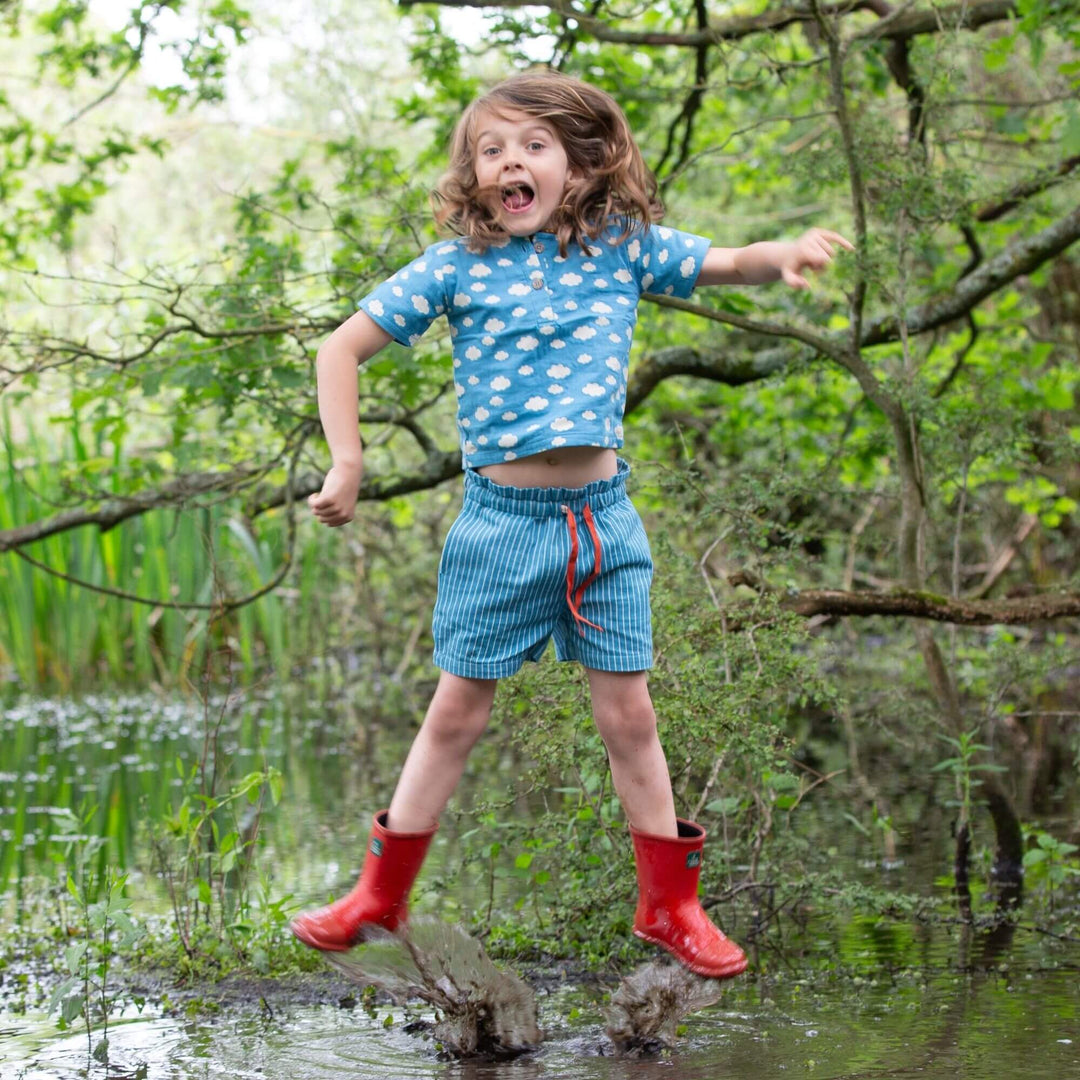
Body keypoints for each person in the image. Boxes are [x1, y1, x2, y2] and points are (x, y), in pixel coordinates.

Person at [291, 70, 851, 978]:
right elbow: (339, 347)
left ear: (581, 165)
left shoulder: (620, 248)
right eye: (491, 151)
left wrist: (777, 254)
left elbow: (725, 262)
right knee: (455, 714)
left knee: (630, 716)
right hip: (499, 527)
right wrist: (348, 459)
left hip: (602, 525)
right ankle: (380, 897)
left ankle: (670, 907)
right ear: (474, 179)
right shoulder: (453, 267)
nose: (510, 162)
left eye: (533, 147)